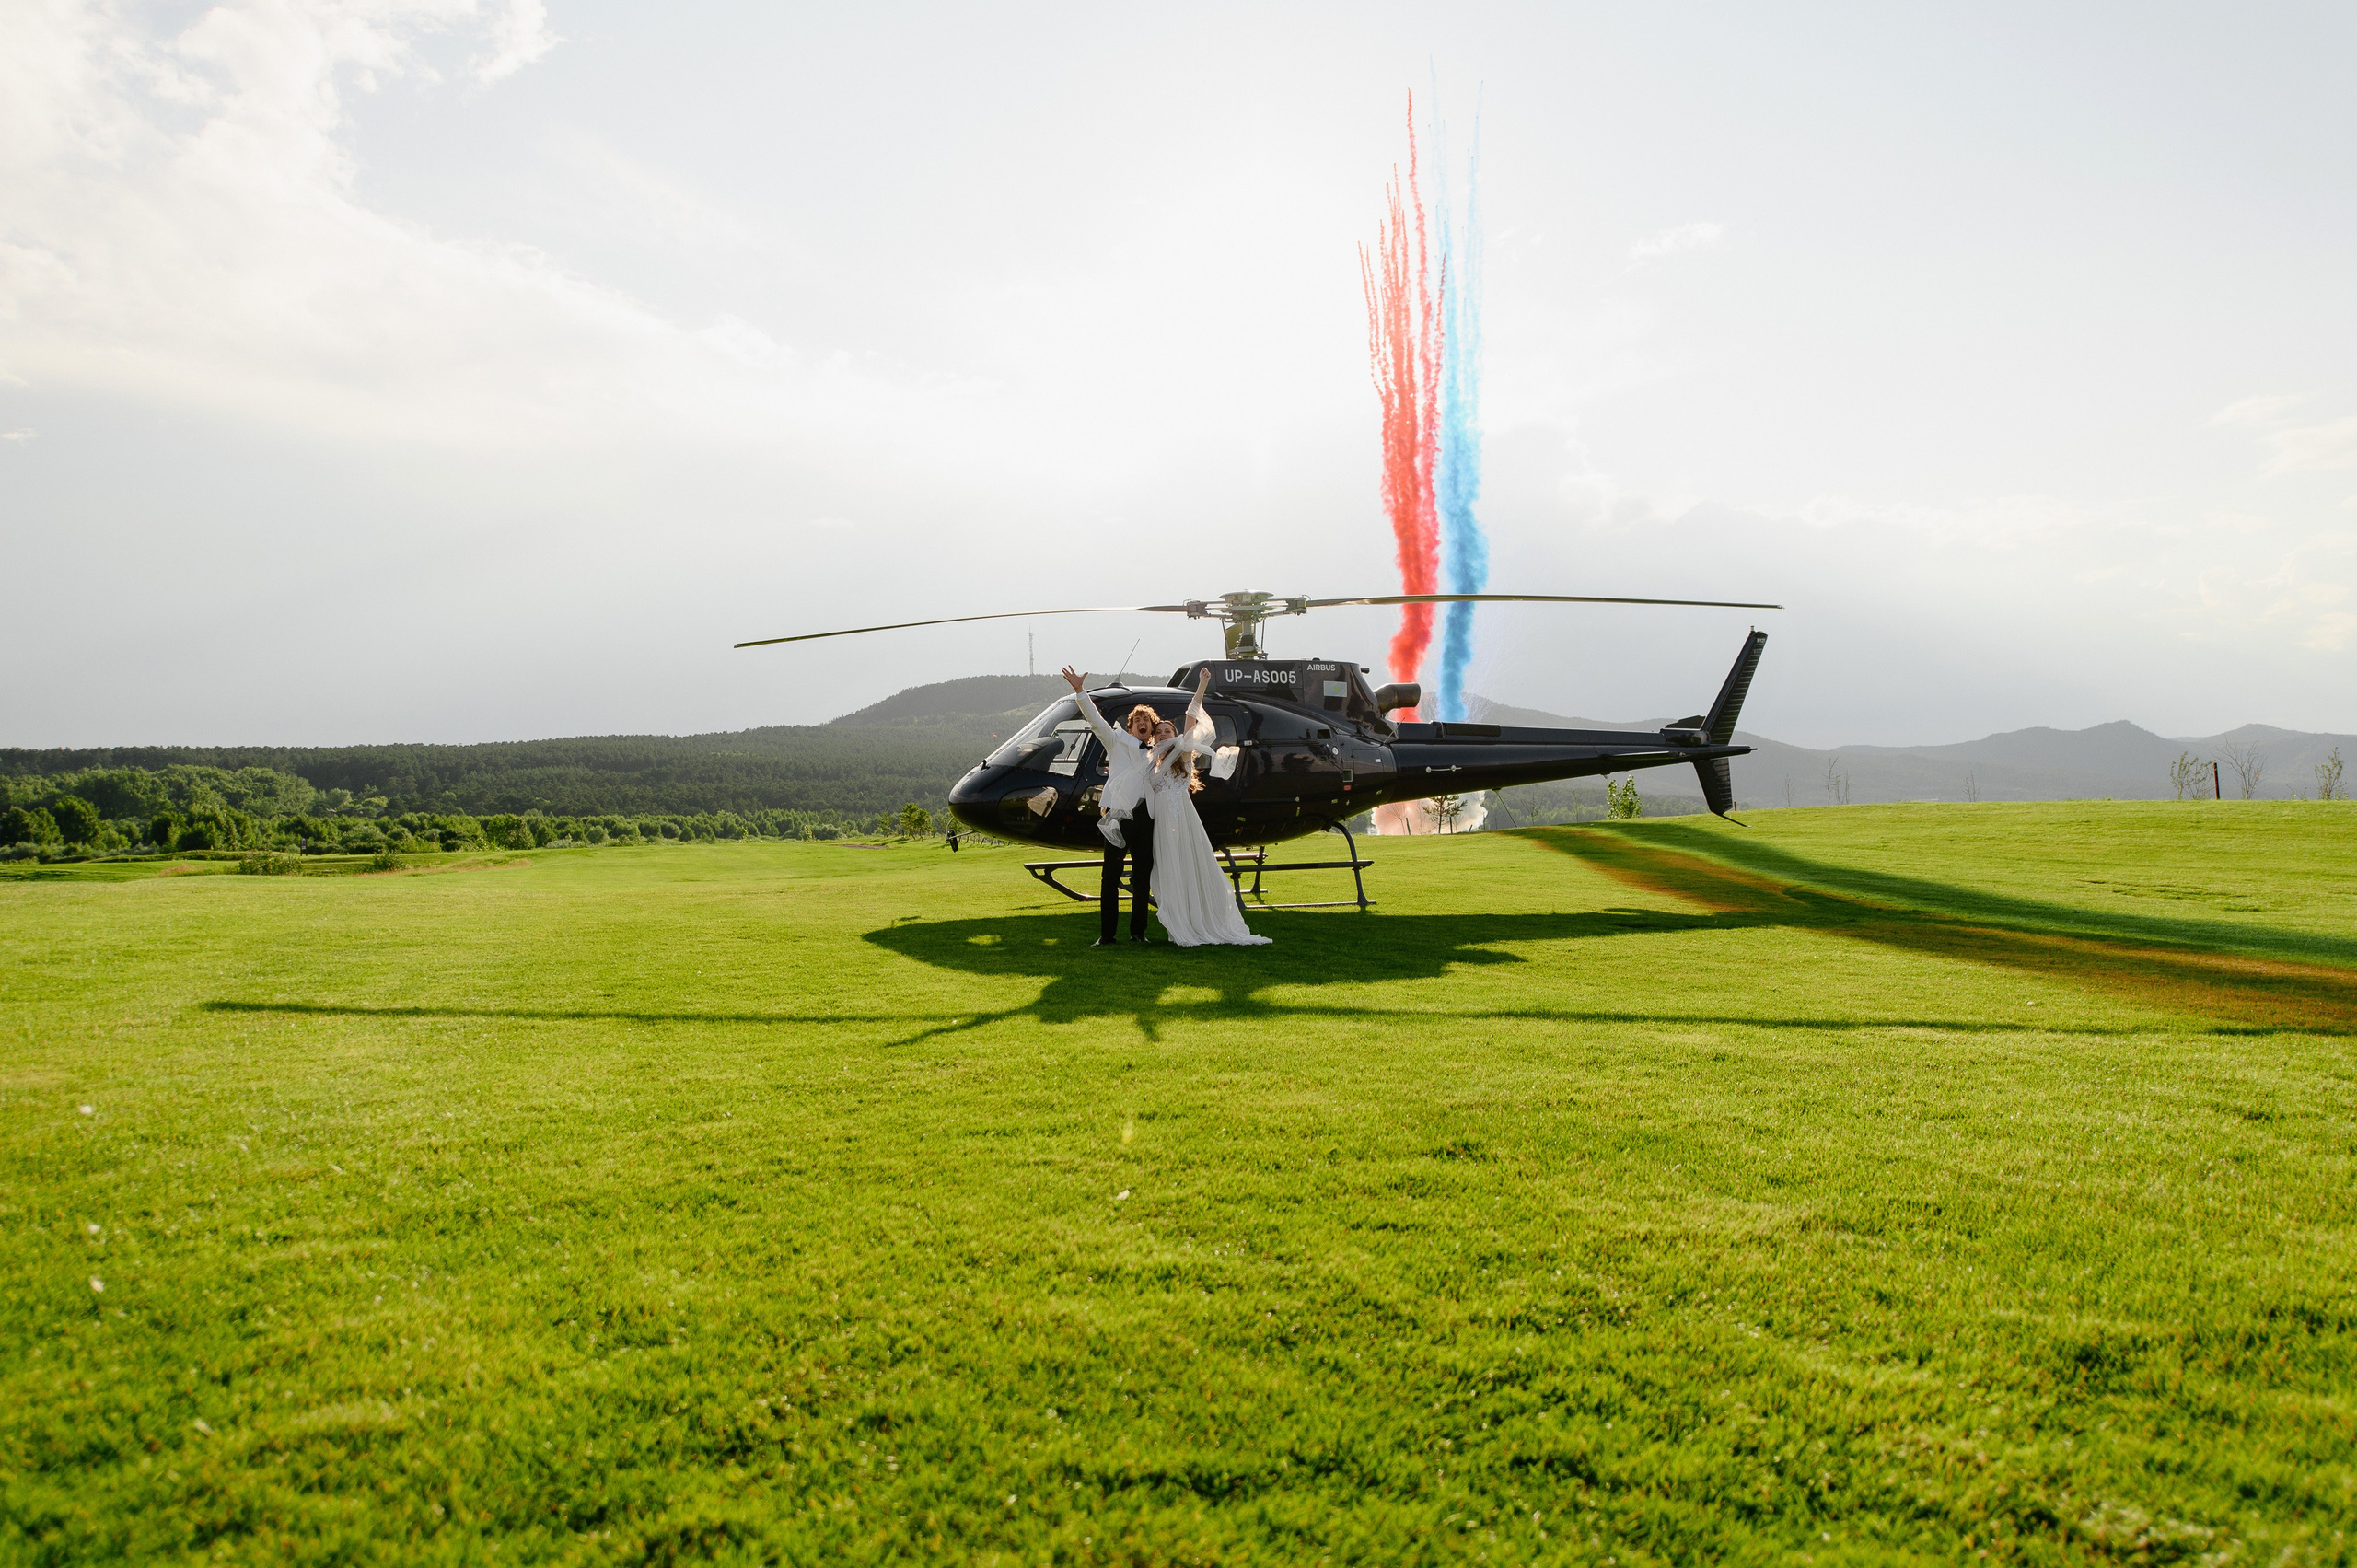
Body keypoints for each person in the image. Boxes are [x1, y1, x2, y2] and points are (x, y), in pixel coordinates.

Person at [1143, 669, 1271, 947]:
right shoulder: (1151, 761)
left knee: (1187, 863)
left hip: (1181, 816)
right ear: (1155, 737)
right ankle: (1179, 921)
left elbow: (1191, 713)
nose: (1165, 733)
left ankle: (1195, 923)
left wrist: (1202, 684)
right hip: (1161, 818)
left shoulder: (1184, 751)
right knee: (1168, 867)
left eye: (1168, 730)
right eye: (1160, 731)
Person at [1061, 665, 1160, 946]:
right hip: (1118, 815)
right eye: (1138, 719)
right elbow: (1095, 721)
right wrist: (1080, 691)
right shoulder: (1117, 742)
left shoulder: (1157, 754)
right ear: (1131, 726)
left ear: (1152, 728)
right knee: (1110, 877)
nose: (1142, 722)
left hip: (1146, 818)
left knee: (1142, 878)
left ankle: (1138, 933)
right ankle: (1107, 936)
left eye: (1147, 720)